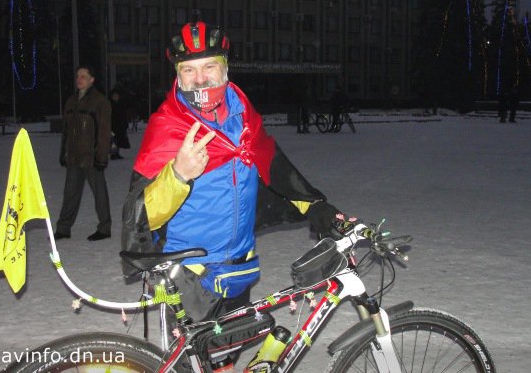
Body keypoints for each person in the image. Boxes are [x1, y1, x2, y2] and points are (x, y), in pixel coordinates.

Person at [121, 22, 344, 324]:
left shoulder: (244, 117)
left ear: (225, 67)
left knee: (227, 359)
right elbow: (142, 216)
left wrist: (314, 204)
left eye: (209, 66)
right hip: (190, 277)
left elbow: (273, 170)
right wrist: (178, 175)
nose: (200, 79)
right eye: (189, 70)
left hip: (239, 268)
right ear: (178, 75)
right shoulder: (167, 126)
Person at [55, 65, 112, 241]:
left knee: (99, 193)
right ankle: (63, 228)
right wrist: (63, 151)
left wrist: (101, 157)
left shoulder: (100, 102)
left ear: (92, 80)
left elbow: (104, 131)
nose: (79, 79)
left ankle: (104, 228)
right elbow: (66, 130)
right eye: (78, 76)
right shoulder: (71, 101)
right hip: (73, 156)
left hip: (91, 157)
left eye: (84, 76)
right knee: (70, 193)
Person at [109, 90, 130, 159]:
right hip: (113, 125)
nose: (115, 97)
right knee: (113, 140)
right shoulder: (110, 105)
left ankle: (117, 153)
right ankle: (113, 154)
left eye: (116, 96)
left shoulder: (121, 104)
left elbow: (123, 115)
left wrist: (125, 124)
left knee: (119, 140)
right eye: (114, 96)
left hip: (120, 125)